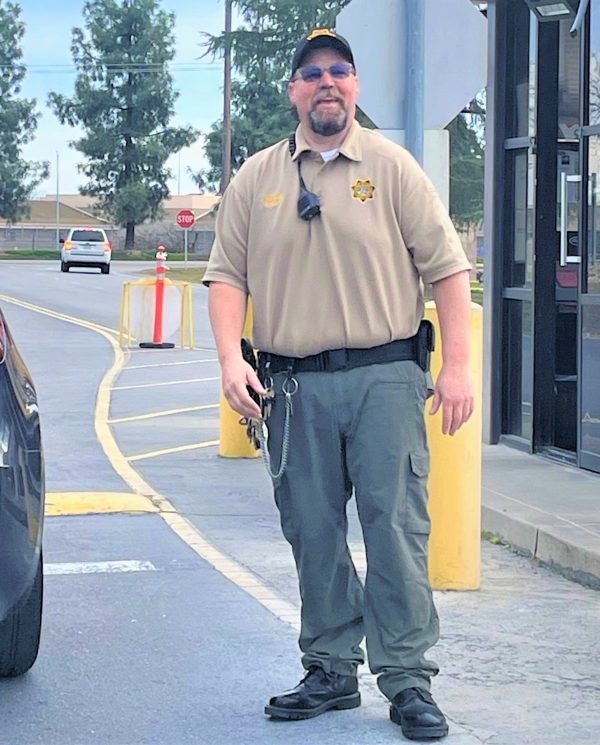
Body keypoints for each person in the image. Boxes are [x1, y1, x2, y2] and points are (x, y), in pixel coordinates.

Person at [203, 28, 474, 742]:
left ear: (355, 87)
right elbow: (226, 276)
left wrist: (456, 367)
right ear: (294, 90)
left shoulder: (392, 168)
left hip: (385, 379)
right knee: (312, 530)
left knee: (396, 529)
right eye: (312, 73)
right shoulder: (256, 180)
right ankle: (329, 669)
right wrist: (232, 359)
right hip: (291, 385)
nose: (327, 82)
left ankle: (408, 678)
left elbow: (447, 269)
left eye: (340, 72)